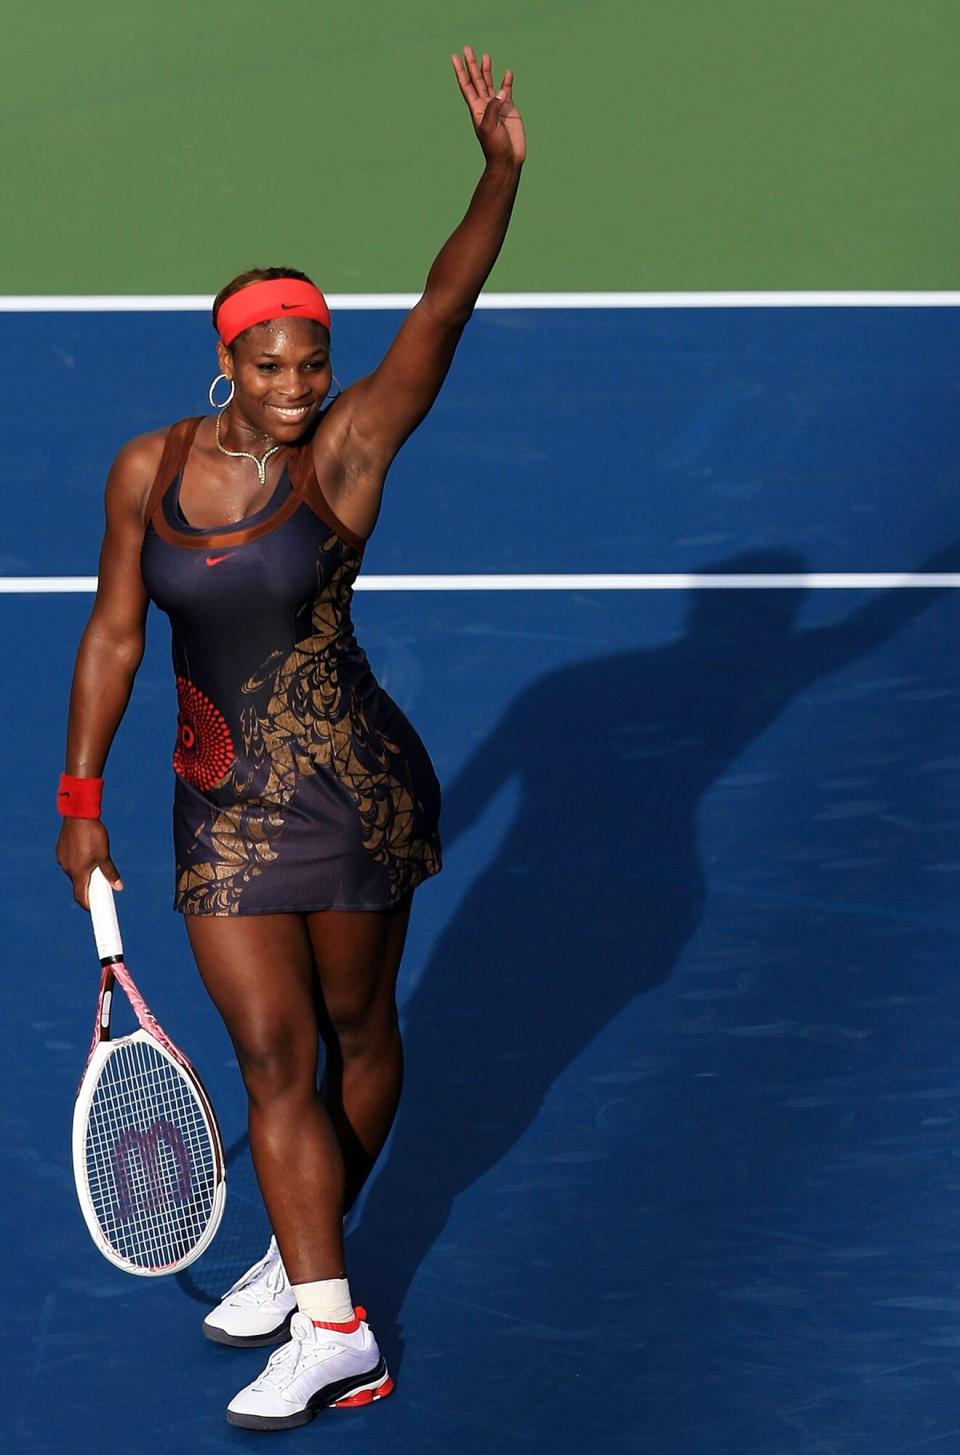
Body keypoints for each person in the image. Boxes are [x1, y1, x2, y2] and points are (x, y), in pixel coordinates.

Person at [55, 47, 524, 1432]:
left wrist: (499, 172)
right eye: (272, 364)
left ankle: (296, 1250)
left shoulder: (350, 451)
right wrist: (80, 795)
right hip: (219, 810)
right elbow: (115, 637)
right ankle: (336, 1326)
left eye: (314, 360)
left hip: (353, 795)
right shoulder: (146, 469)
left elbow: (445, 304)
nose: (299, 385)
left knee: (356, 1037)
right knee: (271, 1058)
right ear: (227, 360)